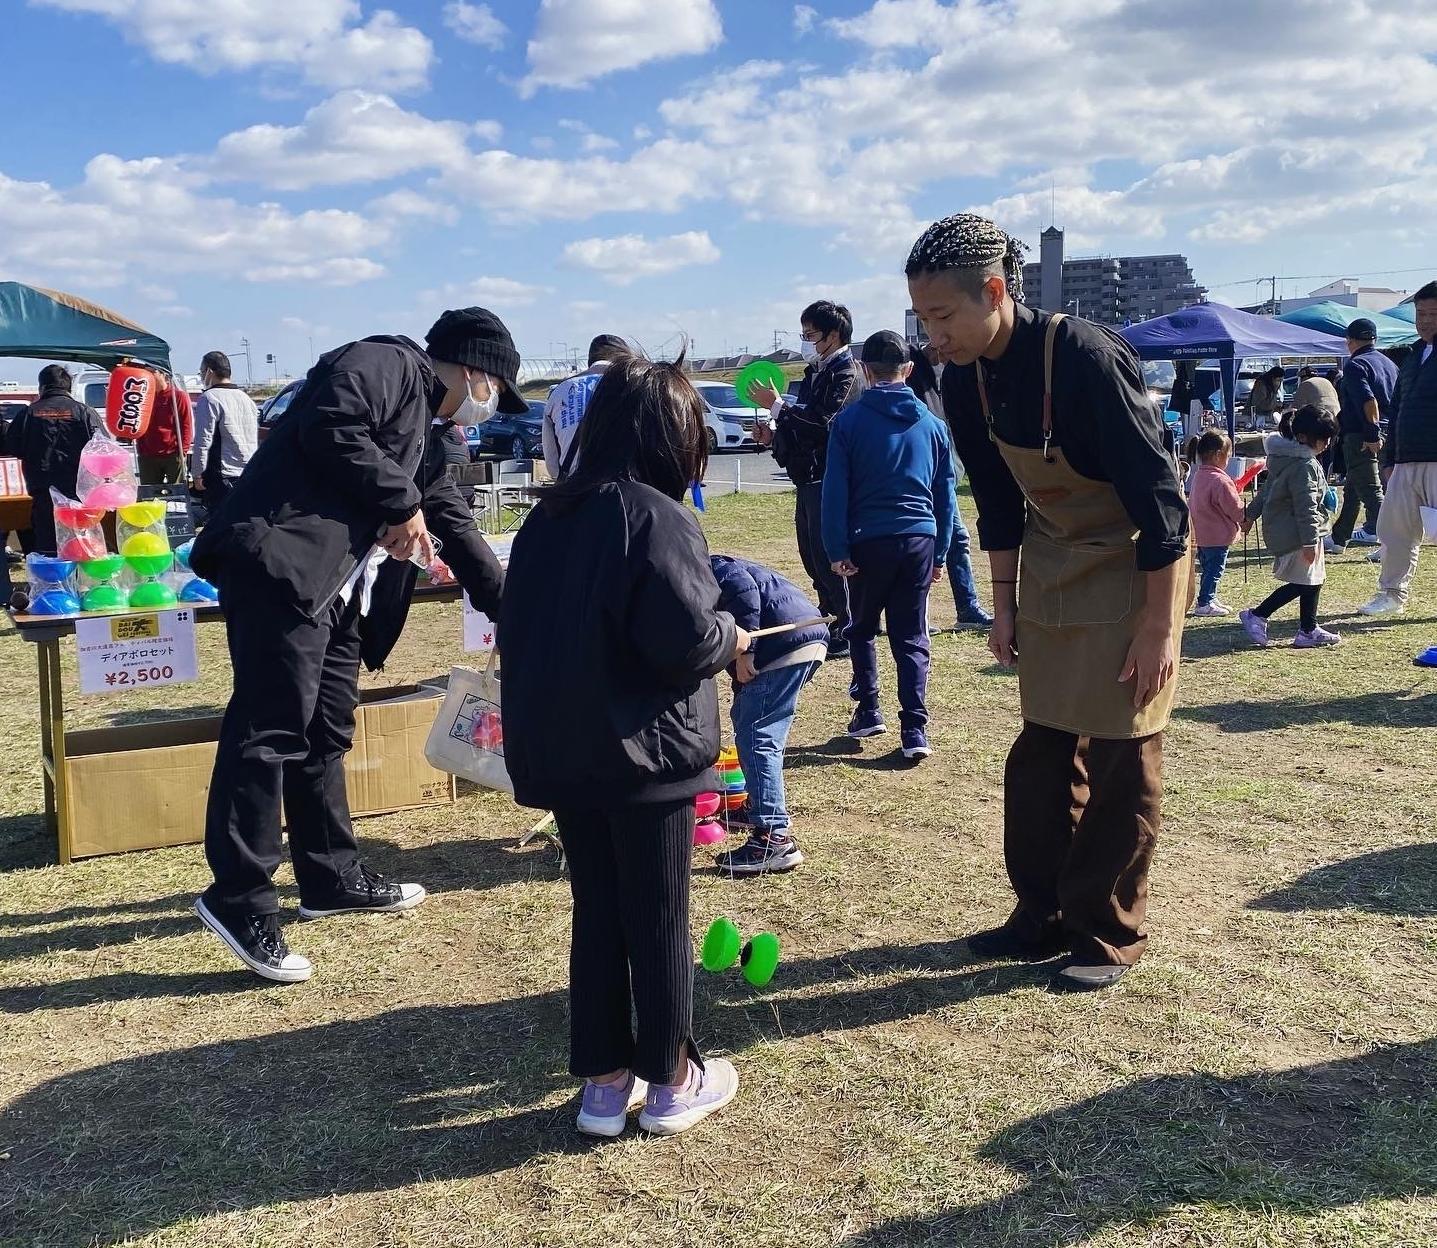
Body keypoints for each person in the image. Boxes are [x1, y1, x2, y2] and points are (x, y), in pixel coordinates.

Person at [188, 308, 514, 984]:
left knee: (325, 729)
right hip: (278, 564)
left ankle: (329, 875)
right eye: (494, 391)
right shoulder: (386, 362)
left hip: (332, 591)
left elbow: (443, 511)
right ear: (479, 372)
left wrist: (507, 607)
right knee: (268, 731)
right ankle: (239, 897)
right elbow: (329, 424)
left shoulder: (424, 426)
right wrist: (398, 503)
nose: (486, 408)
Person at [911, 213, 1190, 992]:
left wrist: (1157, 628)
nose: (933, 336)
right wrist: (1002, 607)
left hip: (1137, 556)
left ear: (995, 291)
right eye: (923, 318)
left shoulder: (1083, 357)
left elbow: (1161, 504)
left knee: (1121, 751)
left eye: (943, 317)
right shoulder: (960, 377)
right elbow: (997, 501)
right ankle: (1040, 913)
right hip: (1053, 557)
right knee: (1041, 751)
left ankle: (1106, 931)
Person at [499, 353, 748, 1139]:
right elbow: (681, 640)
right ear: (671, 435)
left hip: (566, 752)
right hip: (646, 757)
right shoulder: (654, 513)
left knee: (597, 914)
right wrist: (731, 634)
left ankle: (605, 1087)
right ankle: (673, 1082)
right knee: (659, 919)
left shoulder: (548, 516)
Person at [822, 330, 956, 761]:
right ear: (909, 370)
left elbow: (835, 491)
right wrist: (941, 551)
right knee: (911, 634)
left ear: (864, 369)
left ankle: (869, 708)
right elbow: (946, 494)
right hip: (919, 537)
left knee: (861, 626)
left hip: (867, 540)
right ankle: (915, 729)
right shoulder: (934, 426)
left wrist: (835, 547)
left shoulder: (846, 424)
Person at [748, 301, 861, 659]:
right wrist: (772, 434)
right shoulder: (815, 372)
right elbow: (799, 427)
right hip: (807, 477)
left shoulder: (847, 372)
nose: (806, 341)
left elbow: (822, 424)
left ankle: (848, 625)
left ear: (833, 335)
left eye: (811, 334)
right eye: (805, 334)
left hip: (831, 478)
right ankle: (832, 617)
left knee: (832, 555)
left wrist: (778, 407)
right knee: (812, 555)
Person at [709, 553, 827, 876]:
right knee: (751, 722)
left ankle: (774, 837)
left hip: (783, 639)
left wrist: (747, 649)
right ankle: (757, 809)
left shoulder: (706, 566)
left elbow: (743, 589)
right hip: (805, 635)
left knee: (758, 733)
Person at [1360, 282, 1437, 616]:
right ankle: (1392, 593)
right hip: (1405, 460)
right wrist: (1389, 458)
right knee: (1394, 531)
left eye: (1434, 314)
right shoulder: (1412, 356)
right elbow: (1397, 409)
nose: (1427, 321)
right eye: (1422, 314)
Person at [1238, 405, 1341, 648]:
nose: (1327, 443)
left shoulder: (1286, 458)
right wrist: (1309, 542)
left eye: (1330, 438)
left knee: (1313, 580)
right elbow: (1305, 508)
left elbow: (1266, 490)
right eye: (1323, 438)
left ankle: (1308, 629)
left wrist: (1250, 515)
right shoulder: (1303, 466)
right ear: (1304, 438)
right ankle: (1257, 614)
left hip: (1295, 532)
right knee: (1304, 582)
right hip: (1295, 534)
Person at [907, 342, 993, 630]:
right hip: (922, 474)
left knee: (957, 539)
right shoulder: (912, 369)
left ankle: (966, 608)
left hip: (944, 473)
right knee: (922, 542)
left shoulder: (955, 372)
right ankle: (917, 614)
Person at [3, 364, 101, 554]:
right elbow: (102, 448)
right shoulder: (84, 412)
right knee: (82, 544)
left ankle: (53, 582)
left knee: (48, 547)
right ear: (68, 387)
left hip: (43, 492)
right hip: (79, 494)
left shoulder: (28, 414)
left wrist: (33, 453)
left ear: (42, 387)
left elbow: (12, 446)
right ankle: (79, 581)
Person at [1330, 318, 1397, 553]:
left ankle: (1394, 544)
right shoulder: (1389, 364)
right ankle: (1339, 538)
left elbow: (1369, 402)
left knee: (1371, 492)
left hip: (1364, 435)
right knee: (1354, 487)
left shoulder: (1355, 365)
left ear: (1350, 341)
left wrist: (1371, 435)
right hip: (1389, 431)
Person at [541, 333, 626, 478]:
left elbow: (551, 460)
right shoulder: (632, 386)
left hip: (574, 486)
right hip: (624, 485)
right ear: (625, 359)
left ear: (590, 359)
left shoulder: (560, 391)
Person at [190, 351, 259, 510]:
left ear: (209, 372)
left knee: (221, 521)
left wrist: (197, 473)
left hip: (221, 473)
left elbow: (203, 440)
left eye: (201, 372)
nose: (201, 377)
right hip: (248, 470)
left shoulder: (210, 398)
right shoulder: (245, 398)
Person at [1189, 431, 1243, 616]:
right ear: (1218, 455)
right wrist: (1244, 513)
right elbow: (1234, 509)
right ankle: (1205, 602)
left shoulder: (1199, 476)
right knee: (1214, 571)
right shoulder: (1220, 480)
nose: (1228, 460)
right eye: (1228, 456)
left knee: (1208, 569)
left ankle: (1209, 597)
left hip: (1202, 534)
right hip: (1217, 536)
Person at [136, 383, 193, 485]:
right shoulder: (142, 397)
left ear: (161, 373)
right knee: (150, 495)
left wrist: (183, 451)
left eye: (152, 372)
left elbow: (186, 425)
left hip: (173, 453)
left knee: (176, 493)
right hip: (147, 454)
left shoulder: (178, 396)